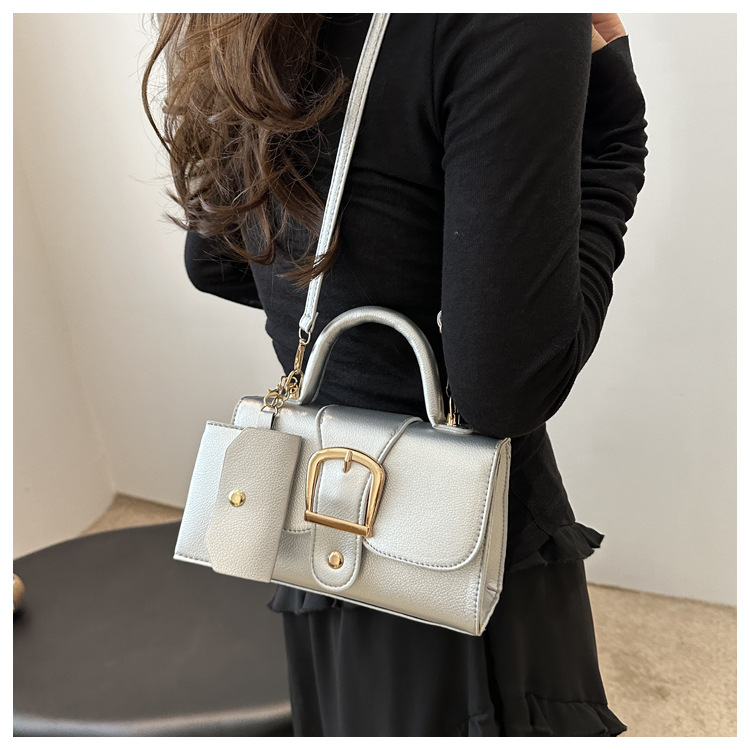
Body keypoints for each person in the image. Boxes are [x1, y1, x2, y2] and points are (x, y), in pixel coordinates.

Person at [143, 13, 648, 736]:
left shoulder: (242, 20)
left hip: (308, 520)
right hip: (456, 546)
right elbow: (507, 389)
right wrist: (614, 141)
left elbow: (215, 261)